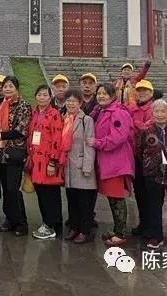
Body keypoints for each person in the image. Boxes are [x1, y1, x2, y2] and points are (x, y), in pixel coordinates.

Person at [87, 82, 134, 246]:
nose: (101, 96)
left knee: (117, 197)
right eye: (99, 93)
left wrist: (97, 143)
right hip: (107, 161)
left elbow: (118, 137)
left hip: (116, 161)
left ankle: (121, 233)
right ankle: (117, 229)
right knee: (112, 198)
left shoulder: (118, 112)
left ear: (113, 96)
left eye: (105, 93)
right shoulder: (101, 111)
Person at [138, 99, 167, 250]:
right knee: (154, 206)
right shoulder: (146, 131)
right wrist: (150, 163)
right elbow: (140, 149)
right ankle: (156, 237)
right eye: (156, 111)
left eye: (163, 111)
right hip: (153, 173)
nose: (160, 114)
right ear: (152, 113)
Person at [0, 75, 31, 236]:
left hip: (14, 152)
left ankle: (21, 222)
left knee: (13, 189)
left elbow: (21, 130)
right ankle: (10, 219)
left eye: (10, 86)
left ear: (16, 88)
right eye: (5, 86)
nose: (7, 89)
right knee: (5, 189)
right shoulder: (2, 104)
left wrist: (1, 136)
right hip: (1, 153)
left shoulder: (23, 106)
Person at [26, 84, 64, 240]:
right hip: (36, 161)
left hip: (48, 161)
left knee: (51, 194)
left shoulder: (54, 114)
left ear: (50, 97)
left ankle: (51, 224)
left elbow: (57, 139)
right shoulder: (34, 113)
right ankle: (47, 222)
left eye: (45, 95)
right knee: (41, 193)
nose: (42, 98)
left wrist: (53, 162)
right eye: (39, 95)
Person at [61, 89, 97, 244]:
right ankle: (74, 227)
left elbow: (89, 144)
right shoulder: (64, 119)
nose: (70, 104)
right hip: (68, 165)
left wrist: (87, 167)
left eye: (74, 101)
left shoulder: (86, 120)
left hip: (81, 165)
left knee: (84, 201)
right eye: (68, 101)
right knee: (72, 200)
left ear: (80, 103)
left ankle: (85, 230)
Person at [128, 79, 155, 239]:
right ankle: (143, 223)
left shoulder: (155, 108)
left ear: (151, 93)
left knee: (151, 193)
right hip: (135, 156)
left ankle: (152, 226)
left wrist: (134, 123)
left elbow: (147, 128)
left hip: (151, 157)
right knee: (139, 192)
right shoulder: (132, 108)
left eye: (145, 90)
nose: (142, 93)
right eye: (139, 90)